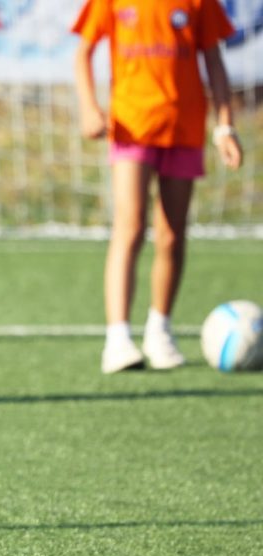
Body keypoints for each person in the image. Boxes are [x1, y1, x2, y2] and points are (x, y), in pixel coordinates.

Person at [73, 0, 243, 374]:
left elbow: (213, 61)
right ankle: (117, 338)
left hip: (184, 127)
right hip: (132, 125)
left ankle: (159, 330)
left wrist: (225, 125)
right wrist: (88, 106)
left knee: (171, 233)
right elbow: (83, 50)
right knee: (130, 226)